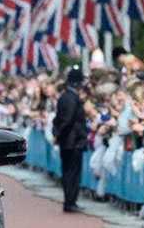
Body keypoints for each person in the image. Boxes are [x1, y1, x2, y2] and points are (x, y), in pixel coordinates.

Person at [52, 66, 88, 213]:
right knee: (72, 173)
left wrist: (57, 134)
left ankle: (70, 200)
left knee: (67, 172)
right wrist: (59, 134)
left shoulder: (63, 96)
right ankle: (70, 201)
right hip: (73, 141)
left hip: (66, 141)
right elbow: (67, 120)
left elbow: (57, 119)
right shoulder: (72, 98)